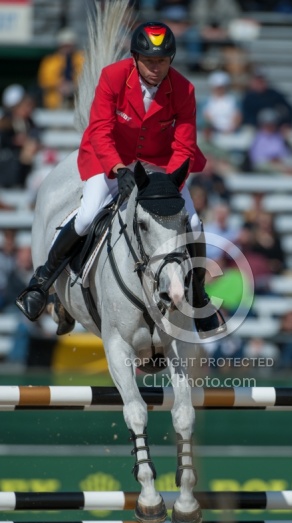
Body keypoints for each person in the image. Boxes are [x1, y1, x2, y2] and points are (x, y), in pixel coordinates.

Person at [17, 21, 226, 339]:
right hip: (109, 159)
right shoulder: (113, 77)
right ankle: (42, 283)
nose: (157, 68)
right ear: (135, 58)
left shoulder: (184, 89)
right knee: (87, 215)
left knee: (194, 224)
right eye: (150, 61)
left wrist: (168, 183)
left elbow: (184, 145)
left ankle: (197, 294)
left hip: (158, 167)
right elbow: (100, 129)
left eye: (163, 60)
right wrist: (117, 169)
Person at [0, 84, 41, 188]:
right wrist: (15, 141)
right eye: (25, 106)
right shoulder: (7, 122)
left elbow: (35, 137)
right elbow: (4, 140)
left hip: (23, 156)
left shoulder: (29, 122)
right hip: (11, 158)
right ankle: (21, 182)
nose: (28, 110)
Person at [37, 28, 85, 109]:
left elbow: (85, 77)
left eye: (69, 45)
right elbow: (43, 81)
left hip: (77, 104)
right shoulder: (50, 61)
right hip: (54, 104)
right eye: (64, 46)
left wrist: (73, 86)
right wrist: (59, 84)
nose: (67, 48)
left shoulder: (82, 59)